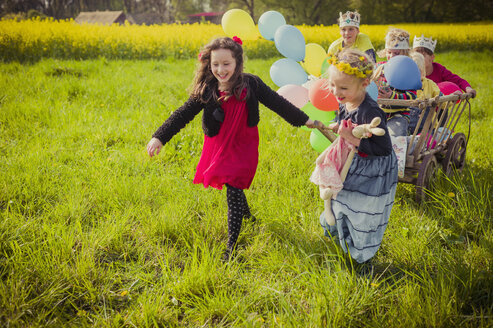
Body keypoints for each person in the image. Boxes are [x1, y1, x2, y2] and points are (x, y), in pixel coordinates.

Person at [146, 36, 316, 260]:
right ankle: (247, 216)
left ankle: (231, 247)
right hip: (218, 142)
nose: (220, 69)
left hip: (243, 142)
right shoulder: (208, 88)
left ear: (237, 62)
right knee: (231, 183)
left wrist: (305, 120)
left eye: (226, 64)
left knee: (234, 185)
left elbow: (278, 103)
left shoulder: (251, 83)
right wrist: (159, 137)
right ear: (209, 64)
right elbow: (183, 114)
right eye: (215, 64)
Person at [319, 48, 398, 264]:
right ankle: (340, 238)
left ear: (364, 84)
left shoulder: (370, 111)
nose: (336, 92)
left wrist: (353, 138)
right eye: (333, 85)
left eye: (343, 87)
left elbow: (383, 149)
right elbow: (347, 123)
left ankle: (363, 257)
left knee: (363, 213)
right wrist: (340, 126)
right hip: (355, 163)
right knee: (340, 200)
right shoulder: (346, 100)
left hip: (374, 170)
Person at [373, 28, 417, 137]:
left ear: (405, 53)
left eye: (396, 53)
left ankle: (398, 149)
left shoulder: (408, 71)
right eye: (389, 52)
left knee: (395, 136)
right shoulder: (379, 67)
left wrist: (392, 96)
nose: (392, 56)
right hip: (378, 112)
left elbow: (412, 96)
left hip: (399, 115)